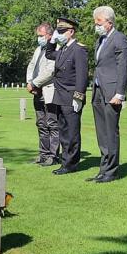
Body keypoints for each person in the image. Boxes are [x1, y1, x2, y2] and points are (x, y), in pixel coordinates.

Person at [89, 6, 127, 183]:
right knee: (102, 133)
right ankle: (103, 169)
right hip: (98, 90)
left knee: (111, 132)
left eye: (99, 22)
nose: (96, 25)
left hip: (112, 92)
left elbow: (122, 67)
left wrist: (120, 93)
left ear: (109, 22)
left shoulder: (119, 38)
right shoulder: (100, 40)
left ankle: (111, 171)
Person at [45, 17, 88, 175]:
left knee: (72, 132)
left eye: (62, 31)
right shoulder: (63, 49)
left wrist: (78, 97)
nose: (60, 34)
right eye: (58, 31)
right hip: (60, 95)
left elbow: (82, 76)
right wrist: (52, 40)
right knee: (63, 131)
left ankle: (71, 164)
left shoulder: (78, 49)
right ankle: (66, 161)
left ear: (71, 32)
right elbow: (49, 54)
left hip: (71, 96)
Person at [26, 22, 60, 166]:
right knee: (41, 124)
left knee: (52, 124)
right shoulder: (38, 49)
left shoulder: (56, 49)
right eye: (38, 36)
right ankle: (43, 153)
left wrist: (35, 83)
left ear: (49, 35)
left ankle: (53, 156)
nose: (39, 38)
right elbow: (31, 66)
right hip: (37, 91)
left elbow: (50, 71)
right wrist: (29, 82)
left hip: (49, 90)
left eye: (41, 35)